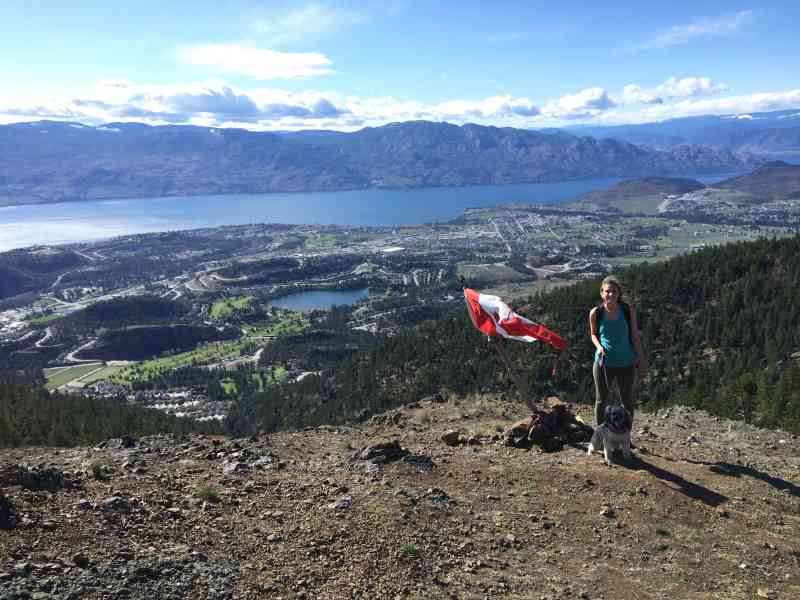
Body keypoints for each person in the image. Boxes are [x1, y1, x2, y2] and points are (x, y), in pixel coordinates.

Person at [589, 275, 647, 426]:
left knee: (627, 402)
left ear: (618, 294)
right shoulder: (596, 313)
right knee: (601, 401)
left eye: (614, 291)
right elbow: (593, 334)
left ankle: (625, 437)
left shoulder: (627, 311)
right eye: (607, 291)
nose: (610, 294)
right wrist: (599, 347)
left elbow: (634, 336)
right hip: (603, 363)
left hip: (626, 363)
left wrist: (641, 359)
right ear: (601, 293)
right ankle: (601, 435)